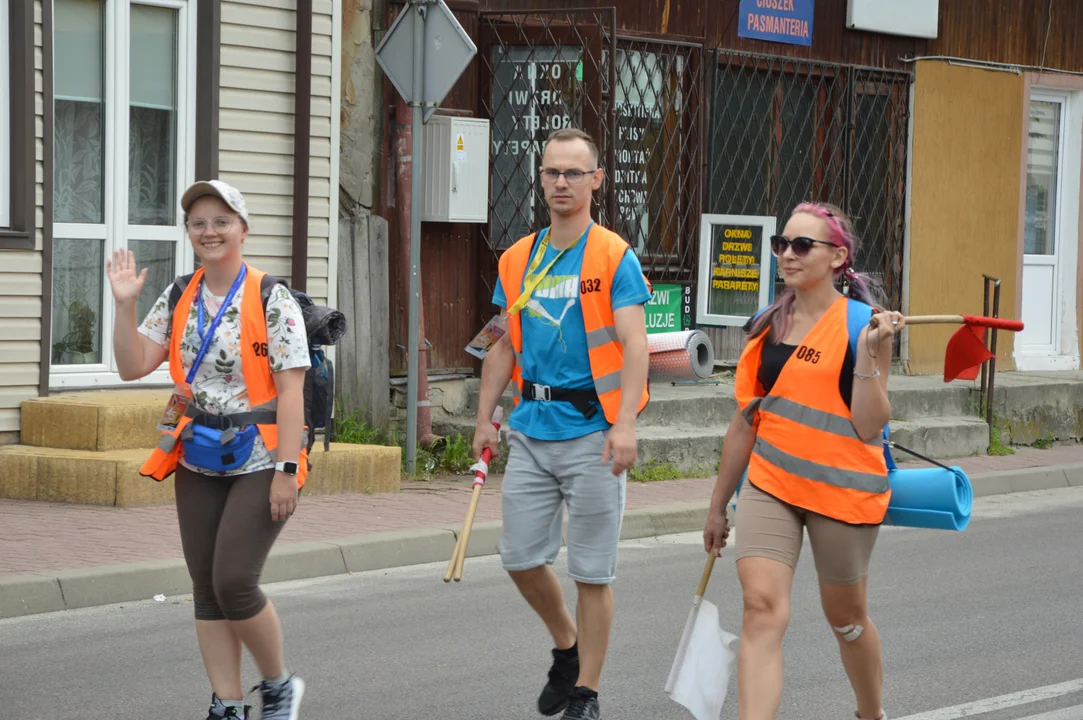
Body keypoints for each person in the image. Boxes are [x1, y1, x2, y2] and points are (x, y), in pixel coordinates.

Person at [107, 180, 310, 720]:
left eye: (221, 220)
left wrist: (287, 471)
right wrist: (123, 307)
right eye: (198, 222)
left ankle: (279, 685)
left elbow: (292, 390)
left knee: (235, 581)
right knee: (206, 588)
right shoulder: (179, 294)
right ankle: (227, 702)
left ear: (243, 229)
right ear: (189, 233)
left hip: (262, 456)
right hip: (197, 452)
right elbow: (132, 365)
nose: (209, 231)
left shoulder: (272, 296)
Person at [472, 128, 652, 720]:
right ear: (541, 178)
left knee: (591, 572)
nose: (562, 183)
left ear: (597, 180)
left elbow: (633, 344)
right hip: (530, 427)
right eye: (552, 172)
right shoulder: (517, 258)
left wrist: (624, 424)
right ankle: (567, 646)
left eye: (574, 173)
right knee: (520, 558)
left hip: (594, 431)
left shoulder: (613, 256)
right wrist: (485, 419)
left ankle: (586, 694)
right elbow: (500, 343)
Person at [701, 202, 905, 720]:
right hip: (771, 483)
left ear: (838, 257)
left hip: (844, 489)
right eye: (781, 244)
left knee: (846, 618)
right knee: (761, 609)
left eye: (801, 245)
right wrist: (718, 505)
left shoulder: (864, 324)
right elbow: (746, 420)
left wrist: (869, 357)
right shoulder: (766, 325)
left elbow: (869, 425)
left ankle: (870, 713)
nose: (786, 255)